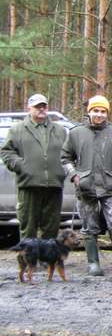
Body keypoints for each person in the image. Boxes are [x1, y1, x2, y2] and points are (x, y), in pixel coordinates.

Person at [61, 95, 112, 277]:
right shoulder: (76, 133)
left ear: (107, 113)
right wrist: (74, 175)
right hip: (85, 189)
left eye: (103, 111)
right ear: (89, 111)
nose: (99, 114)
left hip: (110, 188)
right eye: (96, 110)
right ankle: (93, 263)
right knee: (89, 226)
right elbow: (65, 158)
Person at [1, 94, 66, 239]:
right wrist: (21, 166)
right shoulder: (17, 130)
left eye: (44, 106)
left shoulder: (60, 130)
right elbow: (6, 152)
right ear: (29, 107)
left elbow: (68, 153)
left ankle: (46, 261)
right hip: (29, 186)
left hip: (54, 187)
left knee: (51, 229)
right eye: (37, 106)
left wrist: (63, 171)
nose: (41, 109)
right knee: (28, 229)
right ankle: (27, 261)